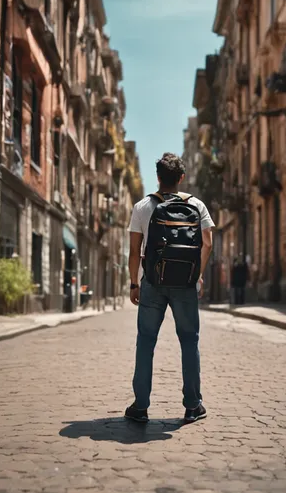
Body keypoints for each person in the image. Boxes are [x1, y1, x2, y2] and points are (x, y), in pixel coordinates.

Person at [125, 153, 214, 424]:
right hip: (185, 284)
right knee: (189, 341)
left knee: (146, 342)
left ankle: (140, 406)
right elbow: (207, 244)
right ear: (181, 179)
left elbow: (134, 251)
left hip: (153, 283)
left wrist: (134, 283)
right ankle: (192, 406)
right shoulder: (196, 204)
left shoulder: (143, 206)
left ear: (158, 178)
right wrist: (197, 276)